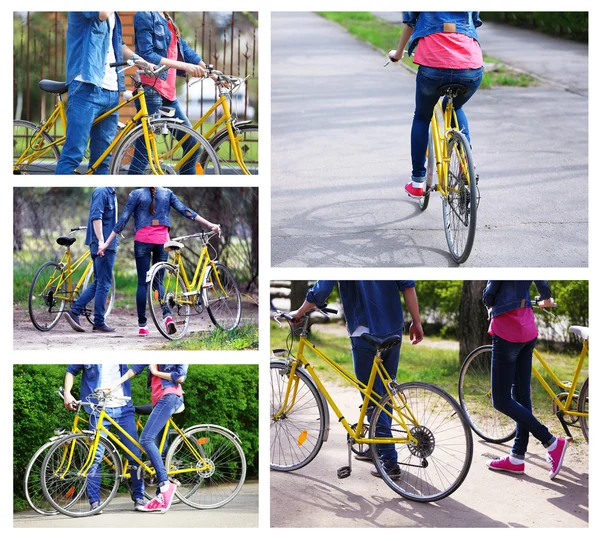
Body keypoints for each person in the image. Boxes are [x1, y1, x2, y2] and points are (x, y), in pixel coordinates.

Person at [290, 281, 424, 479]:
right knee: (385, 394)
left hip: (365, 332)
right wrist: (417, 321)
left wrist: (300, 311)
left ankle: (389, 462)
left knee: (373, 399)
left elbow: (322, 289)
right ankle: (377, 445)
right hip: (394, 329)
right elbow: (408, 286)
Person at [98, 187, 221, 336]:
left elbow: (123, 220)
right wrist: (209, 224)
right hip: (162, 242)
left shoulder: (136, 194)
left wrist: (105, 243)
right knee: (158, 282)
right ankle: (167, 316)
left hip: (142, 241)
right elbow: (185, 210)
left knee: (143, 283)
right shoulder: (167, 193)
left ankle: (142, 326)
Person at [388, 12, 483, 198]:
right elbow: (473, 23)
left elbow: (410, 22)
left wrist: (398, 54)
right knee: (456, 106)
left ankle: (417, 181)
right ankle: (466, 165)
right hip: (471, 68)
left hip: (433, 68)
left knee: (422, 117)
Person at [483, 280, 569, 479]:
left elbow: (491, 292)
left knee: (501, 400)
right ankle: (517, 457)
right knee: (521, 396)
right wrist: (546, 297)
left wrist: (487, 298)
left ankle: (551, 442)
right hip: (528, 329)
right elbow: (541, 282)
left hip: (506, 330)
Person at [55, 12, 152, 175]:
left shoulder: (114, 14)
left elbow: (118, 44)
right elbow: (102, 13)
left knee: (102, 161)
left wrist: (141, 61)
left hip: (112, 90)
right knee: (73, 155)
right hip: (86, 86)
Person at [128, 11, 208, 175]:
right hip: (151, 90)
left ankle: (186, 188)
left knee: (192, 144)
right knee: (144, 155)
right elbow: (147, 54)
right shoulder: (145, 14)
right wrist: (184, 66)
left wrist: (206, 68)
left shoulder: (165, 17)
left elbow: (182, 47)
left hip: (167, 94)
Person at [106, 364, 188, 513]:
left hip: (170, 397)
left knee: (145, 439)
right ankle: (160, 497)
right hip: (159, 401)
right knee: (158, 448)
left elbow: (181, 376)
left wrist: (156, 372)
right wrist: (113, 386)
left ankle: (165, 485)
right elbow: (134, 369)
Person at [63, 364, 146, 512]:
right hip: (97, 410)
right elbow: (71, 371)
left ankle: (139, 497)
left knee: (134, 455)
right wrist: (67, 393)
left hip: (124, 408)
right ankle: (94, 502)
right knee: (95, 456)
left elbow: (139, 365)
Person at [65, 187, 118, 332]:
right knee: (103, 284)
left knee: (98, 282)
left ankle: (75, 311)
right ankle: (98, 322)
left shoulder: (111, 192)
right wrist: (102, 241)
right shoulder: (102, 190)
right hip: (103, 245)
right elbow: (96, 217)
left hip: (107, 243)